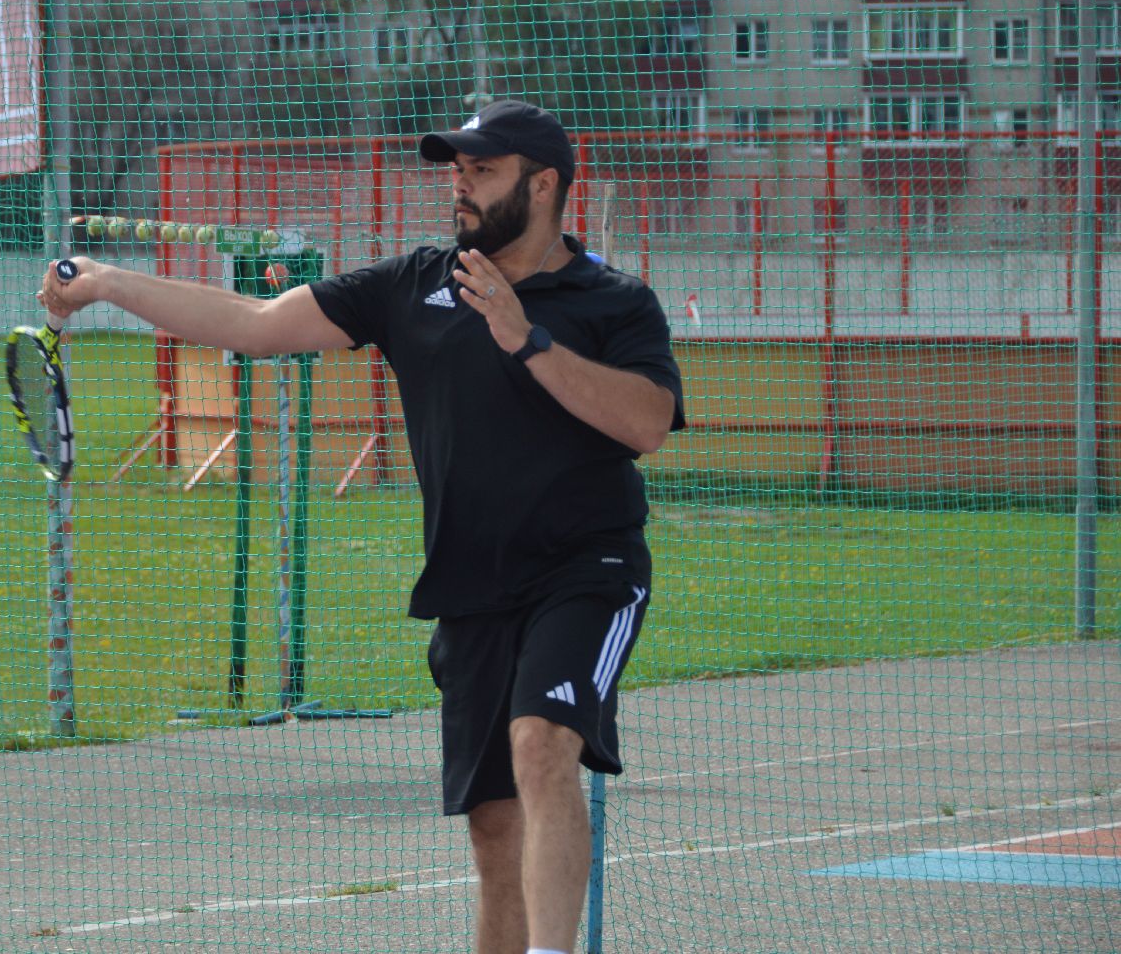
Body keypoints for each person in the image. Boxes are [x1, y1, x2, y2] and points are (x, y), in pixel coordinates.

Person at [39, 99, 685, 954]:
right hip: (471, 583)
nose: (459, 186)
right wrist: (114, 283)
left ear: (544, 185)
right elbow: (259, 326)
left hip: (589, 567)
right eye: (455, 169)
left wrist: (525, 339)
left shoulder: (615, 302)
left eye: (480, 172)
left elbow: (646, 422)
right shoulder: (414, 284)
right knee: (494, 832)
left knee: (541, 746)